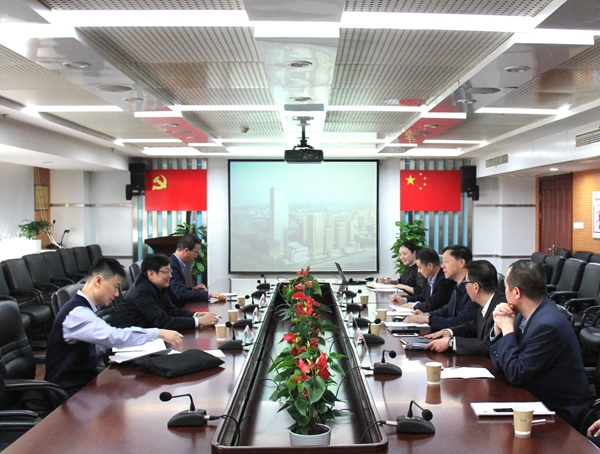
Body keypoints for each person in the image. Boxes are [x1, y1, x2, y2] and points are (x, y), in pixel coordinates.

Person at [45, 257, 183, 396]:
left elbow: (98, 344)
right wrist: (158, 333)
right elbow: (113, 336)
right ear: (98, 281)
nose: (117, 294)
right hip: (70, 392)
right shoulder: (77, 314)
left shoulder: (85, 309)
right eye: (115, 287)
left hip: (86, 382)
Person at [487, 260, 595, 427]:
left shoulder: (547, 325)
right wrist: (498, 328)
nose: (504, 292)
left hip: (560, 414)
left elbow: (516, 373)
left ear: (516, 292)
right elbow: (501, 364)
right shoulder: (524, 314)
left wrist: (507, 329)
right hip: (532, 399)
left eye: (506, 287)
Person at [112, 253, 220, 331]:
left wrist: (197, 315)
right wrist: (199, 321)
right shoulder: (142, 291)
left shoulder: (159, 284)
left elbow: (172, 311)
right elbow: (163, 322)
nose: (170, 276)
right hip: (130, 343)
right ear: (151, 274)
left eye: (170, 271)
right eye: (167, 272)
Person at [424, 260, 503, 355]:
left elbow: (489, 345)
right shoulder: (486, 303)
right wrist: (449, 332)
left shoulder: (500, 308)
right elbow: (472, 327)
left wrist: (451, 343)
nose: (465, 287)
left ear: (476, 287)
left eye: (466, 283)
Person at [403, 245, 479, 331]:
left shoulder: (473, 288)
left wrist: (428, 319)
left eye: (446, 261)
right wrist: (427, 315)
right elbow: (447, 309)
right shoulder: (458, 285)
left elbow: (461, 322)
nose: (442, 266)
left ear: (461, 262)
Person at [168, 234, 226, 308]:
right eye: (196, 252)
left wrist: (193, 289)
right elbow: (180, 293)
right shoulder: (171, 266)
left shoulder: (175, 263)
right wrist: (209, 294)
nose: (196, 256)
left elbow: (176, 289)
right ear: (186, 250)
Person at [391, 248, 454, 312]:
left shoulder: (445, 280)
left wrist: (414, 305)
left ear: (430, 266)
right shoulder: (428, 276)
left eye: (420, 267)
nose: (418, 271)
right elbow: (423, 296)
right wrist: (404, 300)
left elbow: (433, 304)